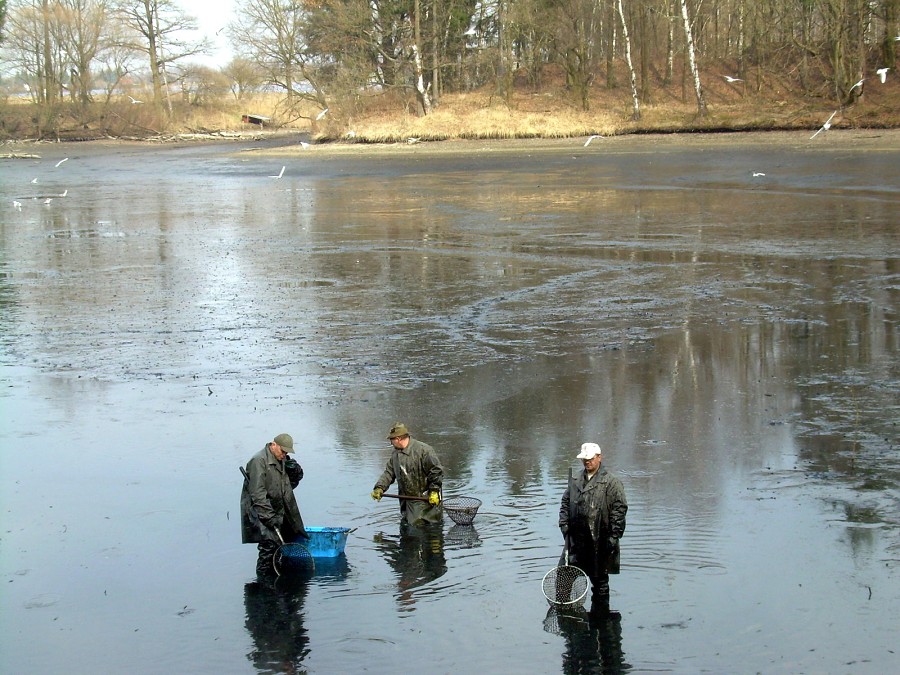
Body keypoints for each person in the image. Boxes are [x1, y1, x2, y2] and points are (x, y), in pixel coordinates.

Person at [559, 442, 627, 617]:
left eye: (590, 459)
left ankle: (601, 619)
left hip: (600, 541)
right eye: (584, 459)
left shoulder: (612, 483)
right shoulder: (574, 481)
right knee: (564, 579)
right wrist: (564, 525)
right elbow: (565, 504)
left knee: (600, 583)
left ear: (599, 458)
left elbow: (619, 511)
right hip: (575, 541)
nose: (587, 462)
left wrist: (613, 537)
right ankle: (567, 616)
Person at [241, 433, 308, 576]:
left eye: (286, 452)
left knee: (282, 543)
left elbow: (290, 484)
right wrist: (268, 517)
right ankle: (264, 586)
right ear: (273, 445)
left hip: (279, 509)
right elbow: (257, 494)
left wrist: (295, 470)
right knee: (268, 547)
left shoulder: (281, 459)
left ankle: (277, 581)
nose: (284, 455)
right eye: (282, 451)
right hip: (260, 511)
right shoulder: (258, 461)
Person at [370, 423, 444, 526]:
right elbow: (389, 473)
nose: (391, 443)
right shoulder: (395, 455)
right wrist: (379, 487)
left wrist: (434, 490)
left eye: (392, 439)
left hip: (426, 500)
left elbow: (436, 471)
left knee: (425, 530)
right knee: (409, 530)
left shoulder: (424, 451)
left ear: (399, 439)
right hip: (406, 501)